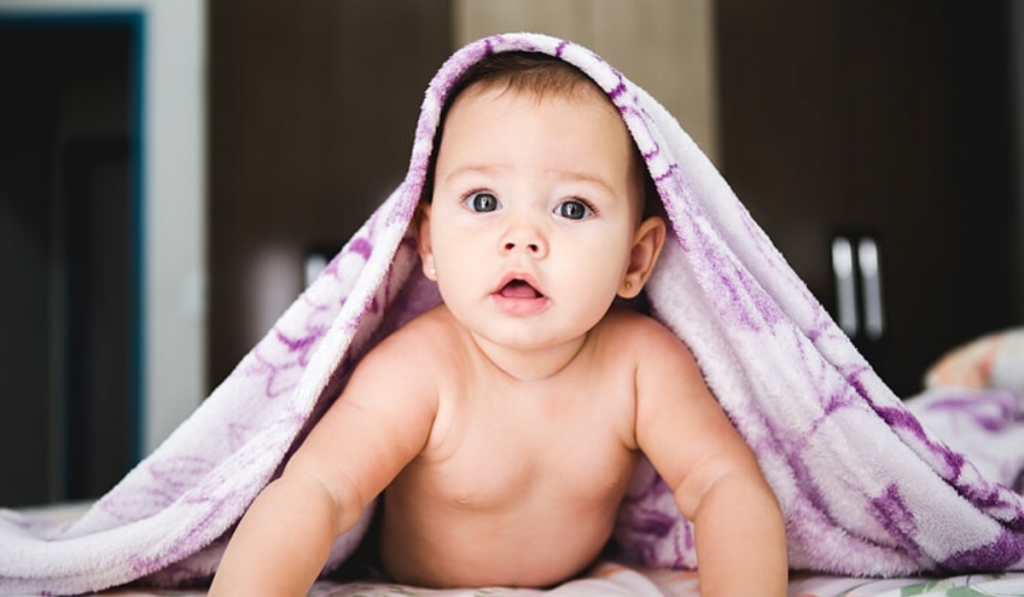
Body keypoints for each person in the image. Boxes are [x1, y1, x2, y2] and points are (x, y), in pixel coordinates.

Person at [209, 51, 788, 597]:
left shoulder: (642, 366)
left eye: (572, 208)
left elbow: (724, 486)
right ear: (429, 242)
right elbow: (319, 491)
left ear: (635, 260)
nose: (522, 238)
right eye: (484, 201)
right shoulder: (419, 370)